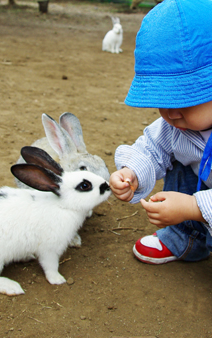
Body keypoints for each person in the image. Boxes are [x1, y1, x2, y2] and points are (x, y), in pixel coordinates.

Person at [109, 0, 212, 264]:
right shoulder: (176, 125)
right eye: (161, 99)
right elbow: (152, 149)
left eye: (184, 98)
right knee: (175, 151)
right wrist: (131, 172)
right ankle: (185, 237)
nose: (170, 113)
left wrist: (193, 207)